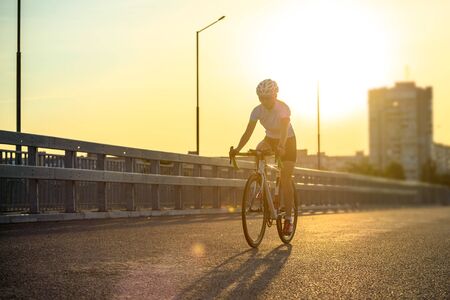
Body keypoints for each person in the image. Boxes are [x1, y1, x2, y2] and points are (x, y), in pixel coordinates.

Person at [230, 79, 297, 235]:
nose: (265, 101)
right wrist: (238, 148)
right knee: (258, 149)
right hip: (270, 139)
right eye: (261, 98)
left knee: (286, 178)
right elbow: (248, 132)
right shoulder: (257, 111)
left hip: (287, 140)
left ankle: (288, 219)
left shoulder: (283, 108)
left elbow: (284, 129)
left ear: (275, 95)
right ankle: (262, 182)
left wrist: (281, 146)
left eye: (268, 98)